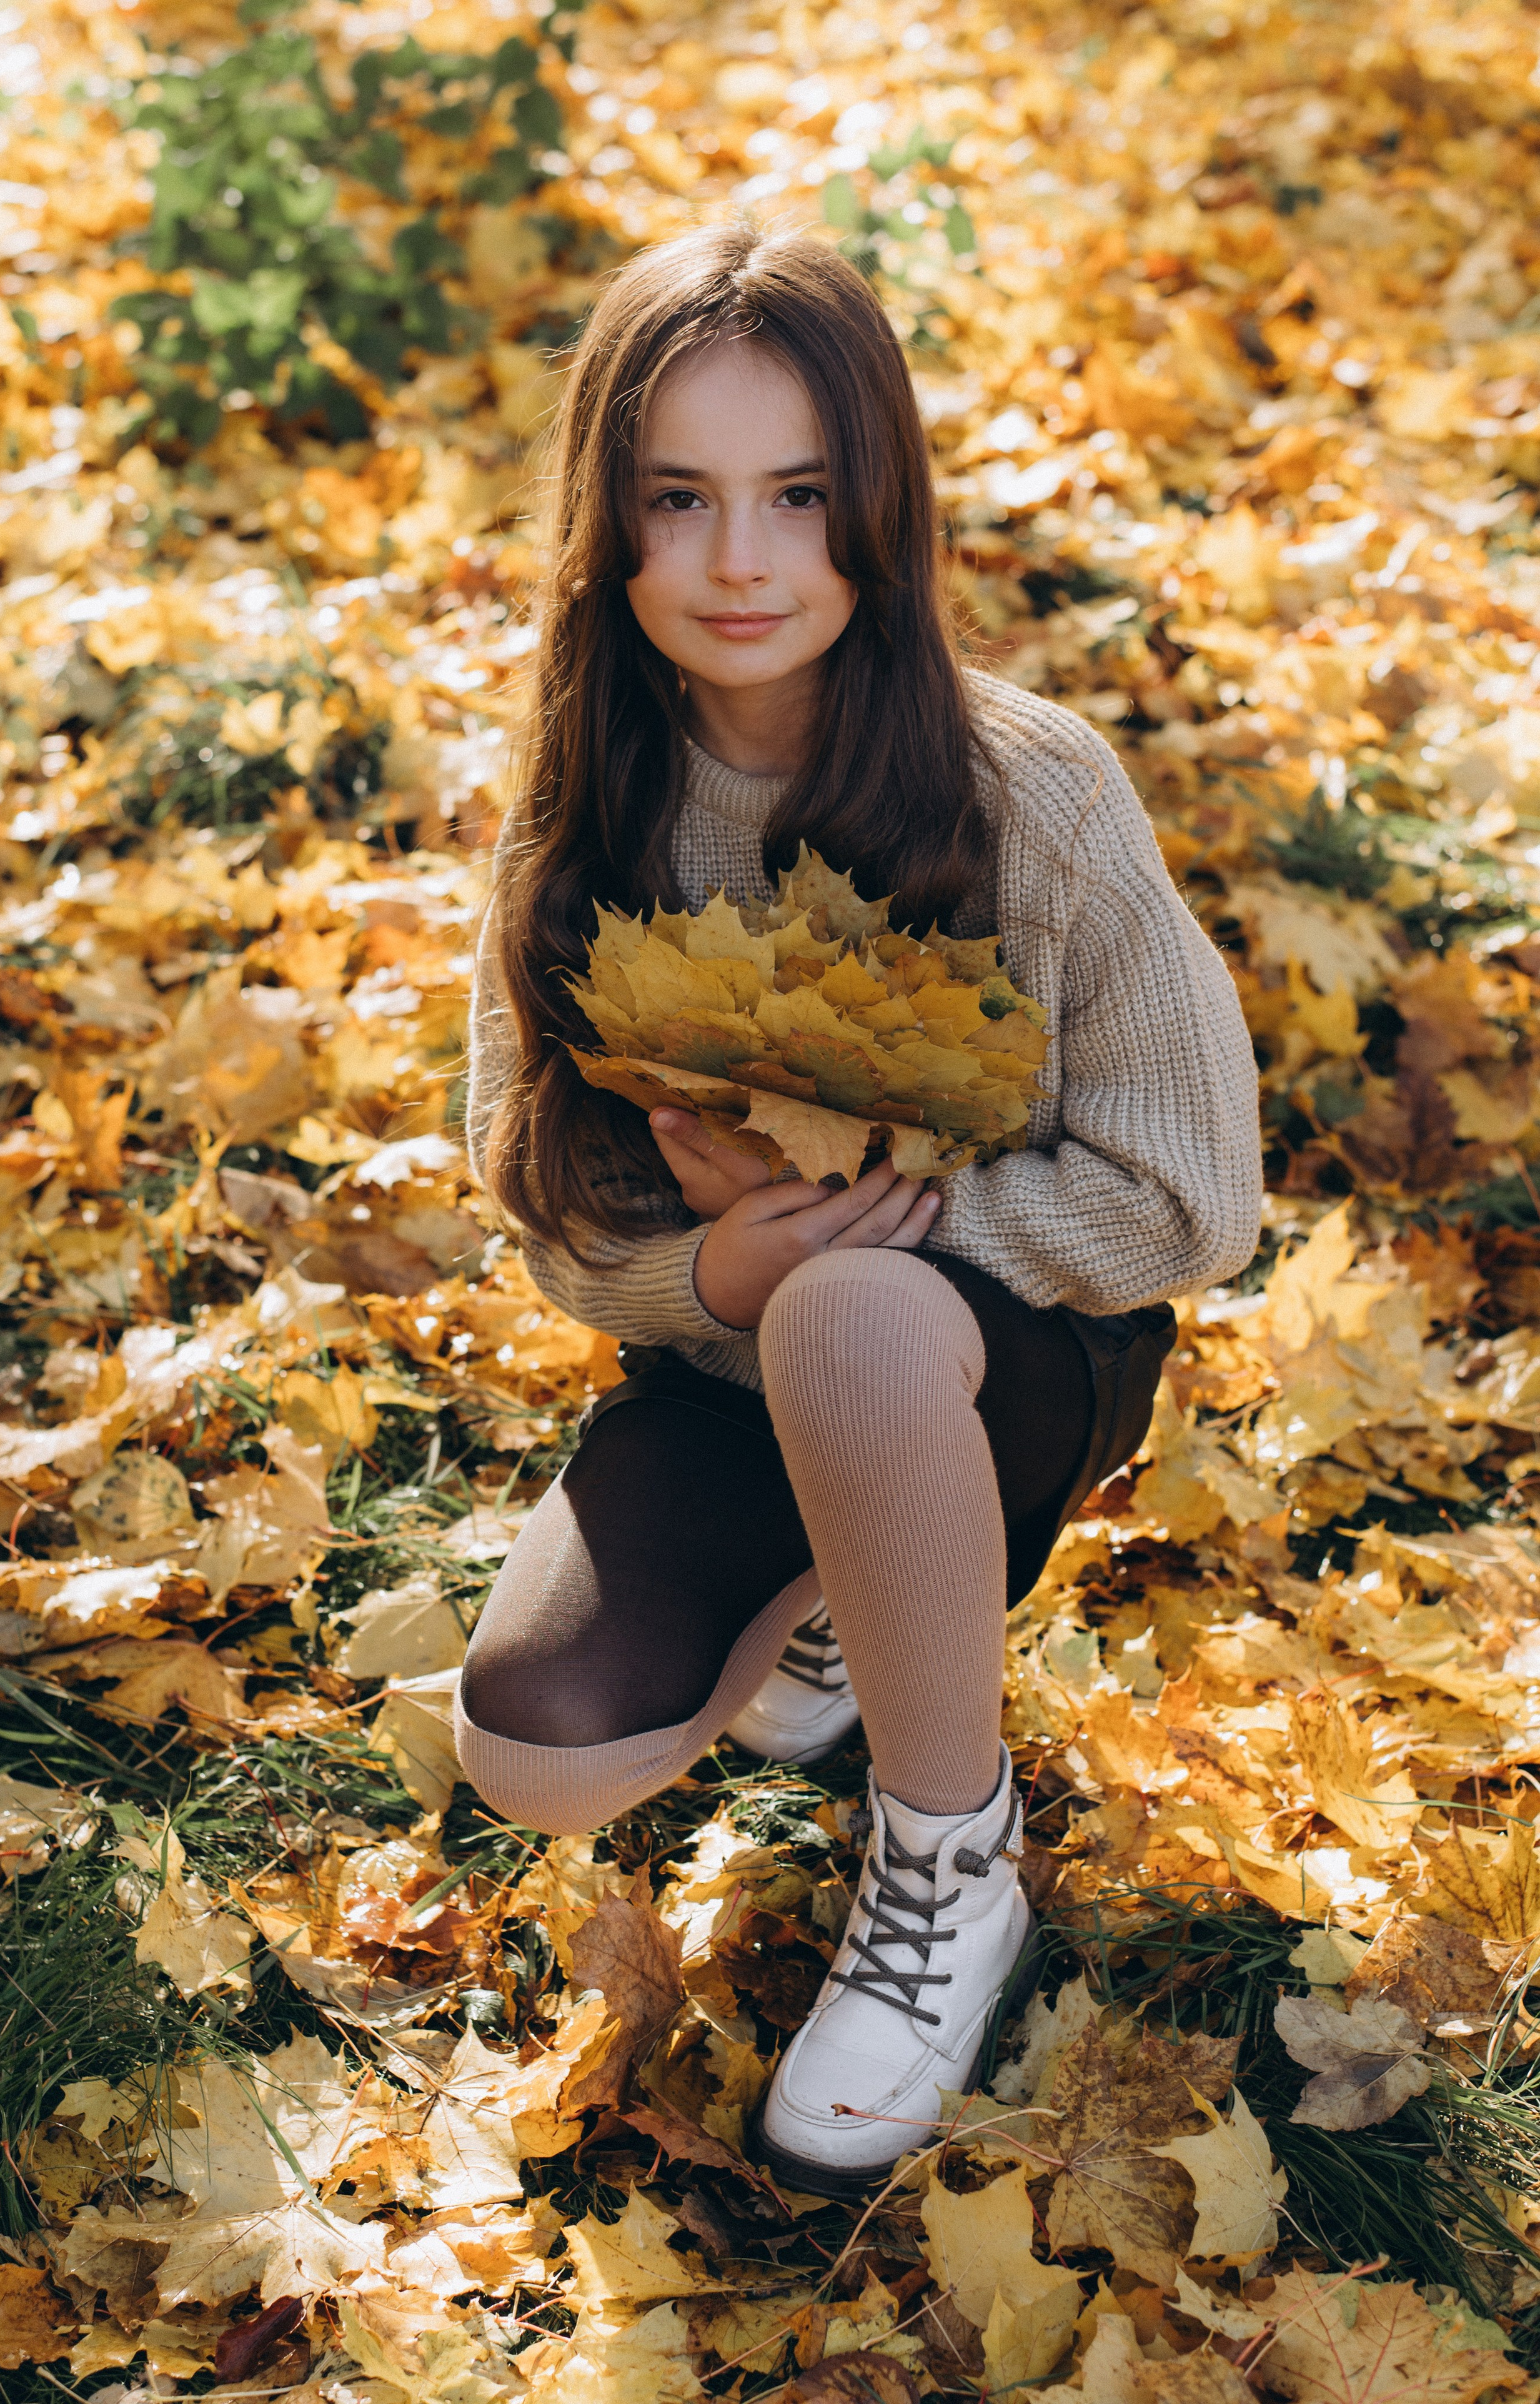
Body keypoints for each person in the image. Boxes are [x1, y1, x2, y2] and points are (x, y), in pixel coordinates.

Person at [454, 221, 1261, 2196]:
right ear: (610, 529)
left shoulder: (1034, 795)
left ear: (876, 510)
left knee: (858, 1320)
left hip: (1016, 1368)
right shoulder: (584, 806)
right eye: (682, 501)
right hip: (728, 1355)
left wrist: (898, 1227)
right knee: (539, 1746)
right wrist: (701, 1265)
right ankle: (840, 1592)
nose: (744, 562)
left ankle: (946, 1854)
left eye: (799, 496)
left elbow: (1197, 1196)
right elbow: (537, 1187)